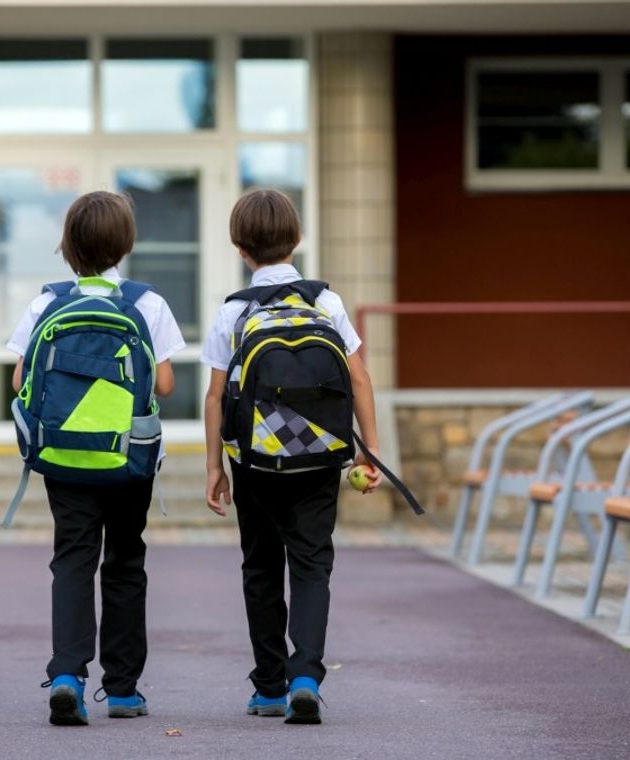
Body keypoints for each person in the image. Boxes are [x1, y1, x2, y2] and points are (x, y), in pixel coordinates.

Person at [200, 189, 382, 725]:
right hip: (321, 457)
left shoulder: (233, 311)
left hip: (254, 460)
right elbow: (359, 377)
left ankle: (269, 688)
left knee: (260, 565)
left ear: (240, 249)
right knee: (311, 563)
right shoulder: (325, 302)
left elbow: (215, 397)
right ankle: (307, 675)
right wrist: (367, 453)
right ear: (298, 241)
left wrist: (215, 467)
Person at [6, 191, 185, 726]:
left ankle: (66, 675)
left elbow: (20, 380)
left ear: (67, 247)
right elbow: (168, 383)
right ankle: (124, 690)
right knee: (126, 562)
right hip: (128, 459)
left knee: (73, 559)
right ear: (126, 245)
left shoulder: (47, 304)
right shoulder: (146, 304)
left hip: (63, 457)